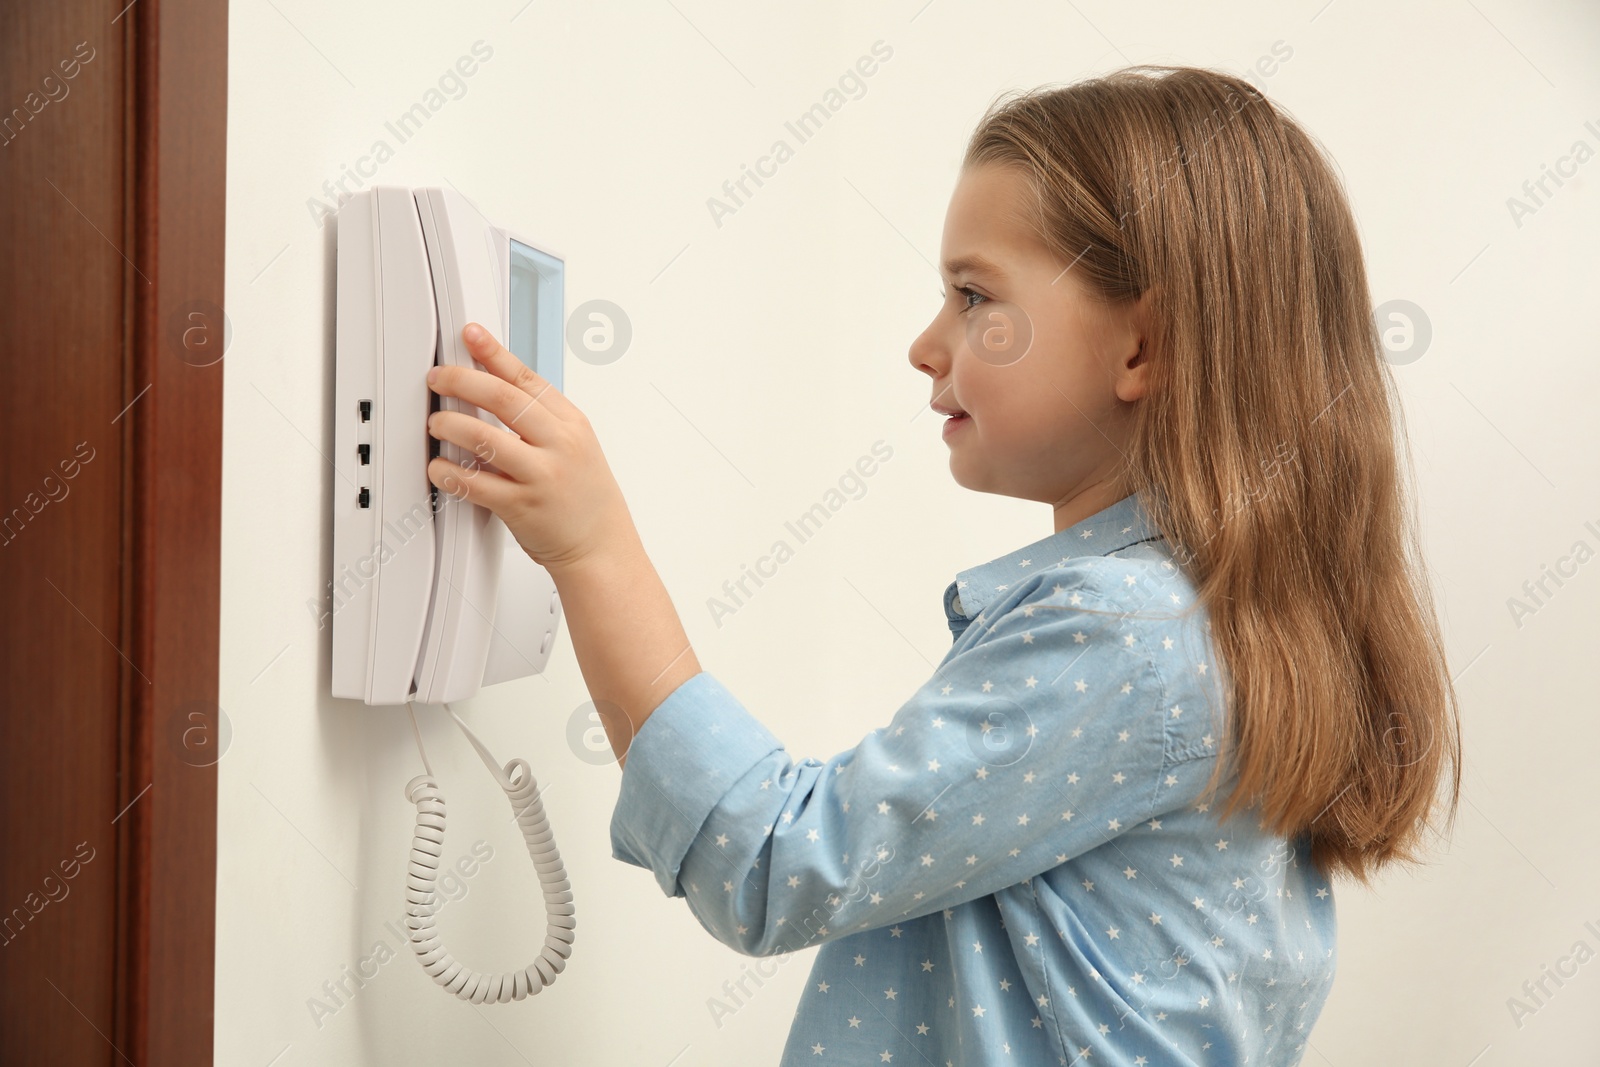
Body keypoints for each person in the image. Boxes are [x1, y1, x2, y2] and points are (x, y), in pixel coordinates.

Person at [421, 64, 1462, 1066]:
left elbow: (775, 863)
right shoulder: (1205, 622)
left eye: (973, 295)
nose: (927, 344)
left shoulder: (1129, 634)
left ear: (1141, 347)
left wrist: (594, 548)